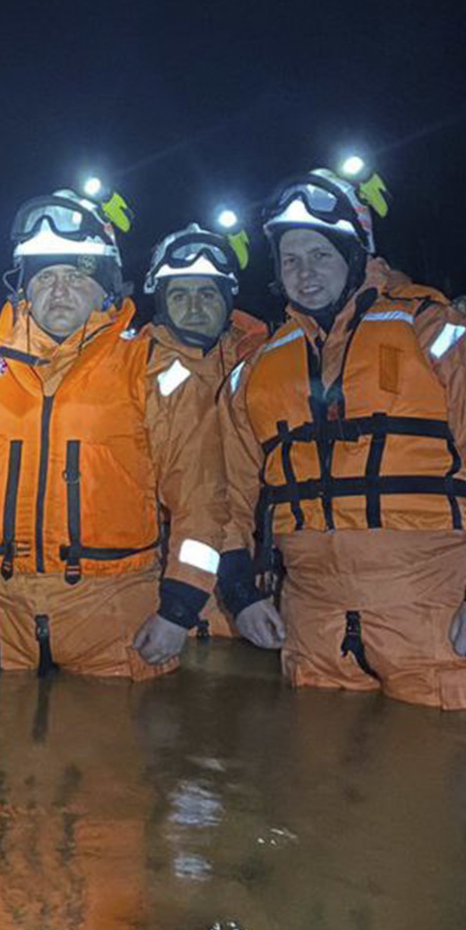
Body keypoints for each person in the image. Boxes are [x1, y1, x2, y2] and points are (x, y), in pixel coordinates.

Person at [215, 165, 466, 707]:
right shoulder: (255, 370)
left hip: (434, 614)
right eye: (291, 259)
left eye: (321, 254)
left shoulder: (437, 332)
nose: (306, 272)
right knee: (307, 785)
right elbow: (223, 496)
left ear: (355, 254)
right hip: (313, 623)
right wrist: (239, 595)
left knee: (434, 779)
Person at [0, 186, 225, 678]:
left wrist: (178, 611)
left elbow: (202, 500)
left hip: (119, 621)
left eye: (77, 276)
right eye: (46, 277)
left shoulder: (156, 374)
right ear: (24, 289)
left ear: (105, 287)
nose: (59, 291)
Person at [138, 222, 271, 638]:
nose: (194, 308)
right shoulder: (129, 373)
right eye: (179, 294)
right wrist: (236, 589)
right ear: (160, 302)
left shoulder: (264, 366)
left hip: (258, 603)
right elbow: (202, 492)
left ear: (229, 300)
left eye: (208, 293)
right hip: (161, 606)